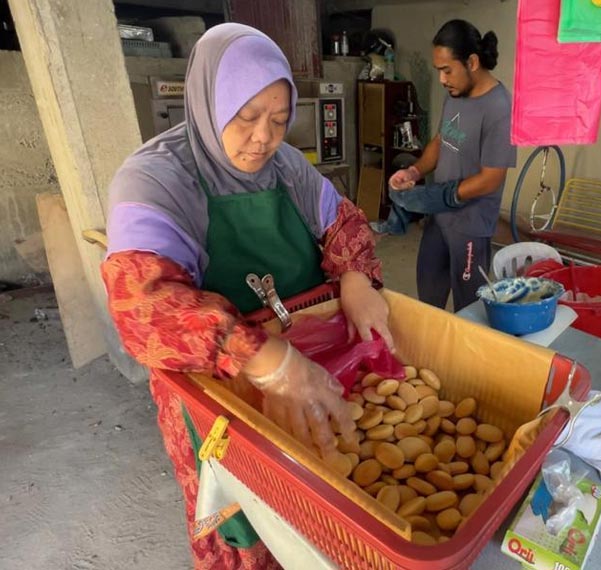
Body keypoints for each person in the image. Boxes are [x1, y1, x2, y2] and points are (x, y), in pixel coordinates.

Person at [101, 23, 391, 569]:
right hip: (217, 392)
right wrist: (260, 356)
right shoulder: (155, 180)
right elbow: (144, 304)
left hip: (303, 363)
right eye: (246, 117)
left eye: (280, 120)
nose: (264, 138)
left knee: (318, 514)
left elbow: (343, 222)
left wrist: (355, 276)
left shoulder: (286, 167)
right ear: (209, 102)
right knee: (243, 529)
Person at [384, 19, 517, 312]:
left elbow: (491, 178)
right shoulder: (455, 95)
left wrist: (446, 195)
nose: (443, 80)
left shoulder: (500, 108)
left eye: (447, 70)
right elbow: (441, 141)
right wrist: (415, 171)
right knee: (428, 295)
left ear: (471, 61)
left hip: (470, 225)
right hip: (439, 220)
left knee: (468, 310)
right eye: (439, 71)